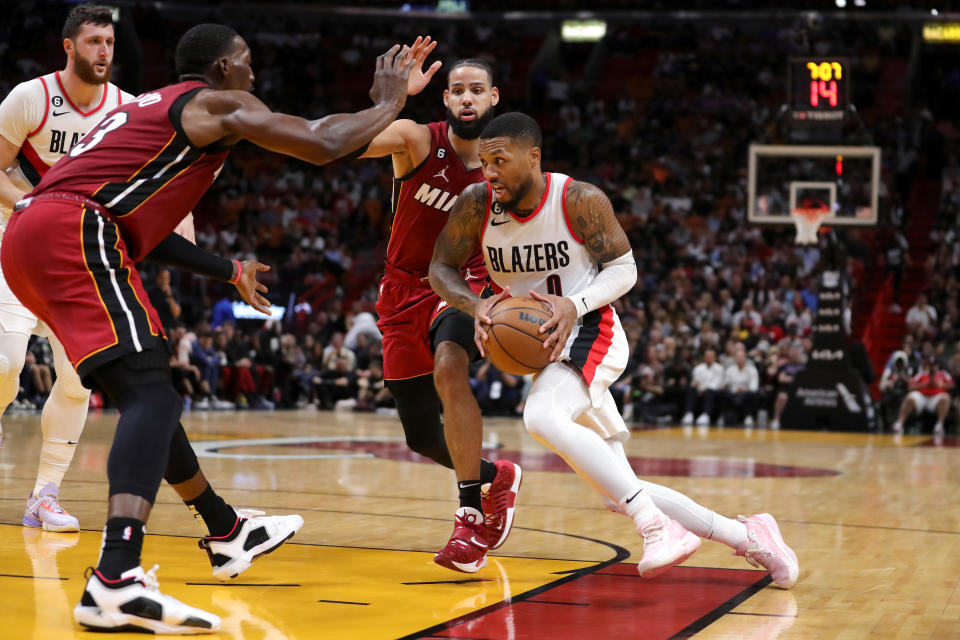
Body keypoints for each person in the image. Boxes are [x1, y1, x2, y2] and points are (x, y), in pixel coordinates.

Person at [2, 23, 421, 633]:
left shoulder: (150, 110)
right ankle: (115, 578)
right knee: (153, 394)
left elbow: (141, 227)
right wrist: (388, 104)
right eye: (247, 62)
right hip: (73, 230)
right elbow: (321, 141)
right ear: (223, 67)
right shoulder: (216, 102)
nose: (254, 76)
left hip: (32, 234)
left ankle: (226, 529)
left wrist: (227, 270)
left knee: (143, 393)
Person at [429, 112, 799, 587]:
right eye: (484, 161)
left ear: (533, 156)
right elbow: (441, 267)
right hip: (544, 345)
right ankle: (750, 536)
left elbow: (625, 269)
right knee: (614, 487)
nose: (490, 172)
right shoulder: (476, 203)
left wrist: (573, 303)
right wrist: (476, 305)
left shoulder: (577, 199)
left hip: (588, 328)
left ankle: (654, 525)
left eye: (500, 160)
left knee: (540, 416)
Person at [359, 57, 521, 573]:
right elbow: (347, 143)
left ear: (494, 98)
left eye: (478, 89)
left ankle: (468, 513)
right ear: (446, 100)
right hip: (401, 288)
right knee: (421, 437)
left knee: (450, 362)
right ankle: (496, 476)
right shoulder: (417, 139)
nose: (467, 98)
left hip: (464, 283)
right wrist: (390, 99)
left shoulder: (510, 166)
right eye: (458, 90)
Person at [0, 4, 135, 532]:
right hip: (15, 238)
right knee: (7, 363)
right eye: (93, 41)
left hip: (76, 253)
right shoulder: (31, 97)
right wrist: (33, 207)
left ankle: (44, 496)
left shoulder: (123, 107)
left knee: (79, 377)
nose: (103, 50)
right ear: (69, 47)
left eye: (109, 41)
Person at [893, 355, 954, 435]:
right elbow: (910, 386)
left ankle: (939, 425)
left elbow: (952, 386)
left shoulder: (943, 374)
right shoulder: (922, 374)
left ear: (937, 365)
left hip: (936, 398)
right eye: (930, 365)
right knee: (910, 397)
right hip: (922, 397)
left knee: (946, 398)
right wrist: (925, 385)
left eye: (934, 365)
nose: (932, 367)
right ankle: (899, 423)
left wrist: (940, 385)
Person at [681, 348, 725, 426]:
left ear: (715, 358)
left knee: (710, 391)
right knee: (691, 389)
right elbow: (695, 382)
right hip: (699, 391)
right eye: (707, 357)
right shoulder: (698, 368)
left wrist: (703, 388)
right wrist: (697, 387)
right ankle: (689, 414)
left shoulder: (719, 369)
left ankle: (706, 415)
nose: (708, 359)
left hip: (712, 392)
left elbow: (717, 384)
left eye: (710, 357)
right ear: (704, 358)